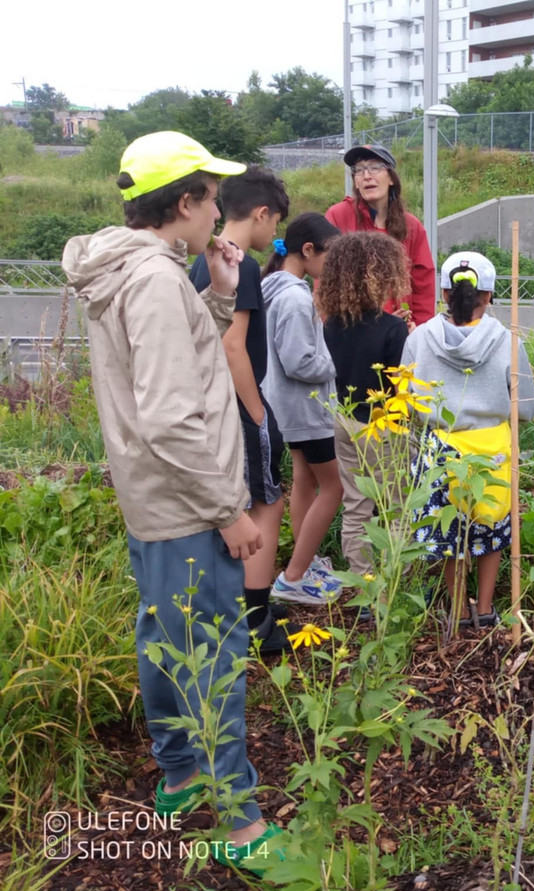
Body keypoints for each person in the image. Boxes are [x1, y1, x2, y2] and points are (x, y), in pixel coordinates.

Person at [62, 131, 279, 867]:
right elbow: (170, 415)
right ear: (184, 203)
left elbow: (170, 366)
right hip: (190, 502)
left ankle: (181, 775)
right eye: (212, 198)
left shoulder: (133, 269)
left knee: (165, 638)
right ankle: (241, 822)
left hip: (155, 497)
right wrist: (230, 509)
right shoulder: (153, 282)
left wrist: (218, 300)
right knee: (214, 653)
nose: (220, 211)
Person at [402, 250, 534, 628]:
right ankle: (485, 610)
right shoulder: (508, 341)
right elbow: (526, 407)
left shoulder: (421, 339)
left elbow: (407, 399)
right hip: (492, 447)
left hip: (441, 446)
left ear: (444, 292)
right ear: (489, 295)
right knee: (490, 528)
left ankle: (458, 608)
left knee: (450, 531)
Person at [188, 166, 293, 652]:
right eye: (275, 224)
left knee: (236, 503)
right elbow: (233, 344)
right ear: (261, 213)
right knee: (265, 502)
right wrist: (257, 413)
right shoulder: (241, 265)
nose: (275, 235)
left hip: (208, 403)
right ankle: (256, 618)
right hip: (237, 405)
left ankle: (235, 608)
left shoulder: (200, 259)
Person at [260, 214, 345, 604]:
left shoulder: (274, 287)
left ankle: (303, 561)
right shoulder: (295, 297)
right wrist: (335, 362)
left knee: (305, 481)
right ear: (308, 251)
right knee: (336, 484)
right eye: (330, 255)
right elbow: (299, 361)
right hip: (306, 410)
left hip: (287, 408)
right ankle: (294, 577)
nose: (333, 266)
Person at [320, 232, 413, 576]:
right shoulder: (392, 329)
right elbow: (401, 385)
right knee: (396, 506)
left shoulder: (331, 325)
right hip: (384, 425)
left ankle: (362, 578)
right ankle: (392, 582)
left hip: (344, 421)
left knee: (356, 504)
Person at [325, 144, 436, 326]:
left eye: (375, 167)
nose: (367, 176)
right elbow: (325, 281)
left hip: (402, 334)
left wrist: (420, 332)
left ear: (391, 178)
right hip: (352, 333)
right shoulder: (338, 217)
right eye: (359, 171)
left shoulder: (412, 226)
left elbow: (424, 286)